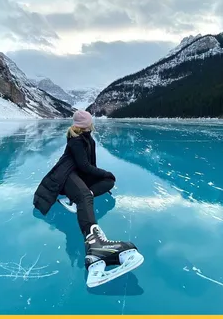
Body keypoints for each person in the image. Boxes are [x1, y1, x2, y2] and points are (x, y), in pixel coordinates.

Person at [33, 110, 143, 287]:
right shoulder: (76, 141)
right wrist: (105, 172)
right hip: (67, 175)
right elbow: (84, 166)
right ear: (86, 124)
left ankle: (83, 198)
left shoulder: (87, 138)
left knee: (108, 182)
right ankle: (95, 243)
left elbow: (89, 166)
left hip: (79, 175)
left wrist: (103, 177)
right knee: (87, 192)